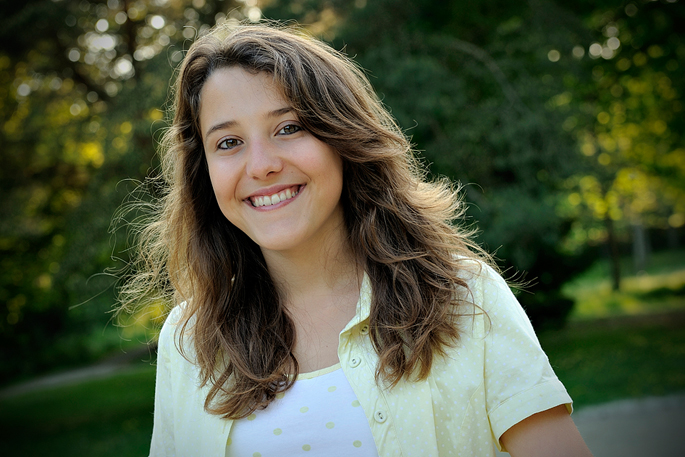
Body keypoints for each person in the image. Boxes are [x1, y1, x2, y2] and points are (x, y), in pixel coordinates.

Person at [123, 21, 593, 457]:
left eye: (289, 128)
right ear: (203, 173)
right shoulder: (190, 340)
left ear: (343, 138)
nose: (261, 164)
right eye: (228, 143)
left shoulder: (464, 297)